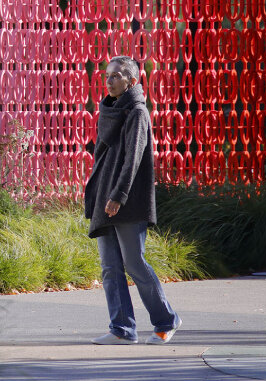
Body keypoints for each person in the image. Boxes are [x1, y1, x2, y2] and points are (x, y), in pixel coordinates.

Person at [84, 56, 181, 345]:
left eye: (116, 76)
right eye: (107, 75)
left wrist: (119, 195)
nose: (109, 80)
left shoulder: (137, 112)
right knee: (110, 267)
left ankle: (166, 320)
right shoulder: (110, 110)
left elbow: (134, 158)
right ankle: (122, 329)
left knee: (134, 263)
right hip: (106, 197)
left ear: (132, 81)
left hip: (126, 200)